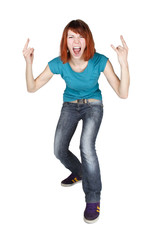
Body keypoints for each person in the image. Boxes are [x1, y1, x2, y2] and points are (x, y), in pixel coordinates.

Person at [23, 19, 130, 224]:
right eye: (71, 36)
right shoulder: (59, 63)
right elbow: (32, 87)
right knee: (58, 149)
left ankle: (93, 198)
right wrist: (29, 63)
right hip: (70, 105)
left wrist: (123, 62)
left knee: (86, 146)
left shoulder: (100, 60)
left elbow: (122, 92)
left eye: (81, 36)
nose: (76, 41)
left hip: (93, 105)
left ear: (87, 40)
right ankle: (79, 171)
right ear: (66, 42)